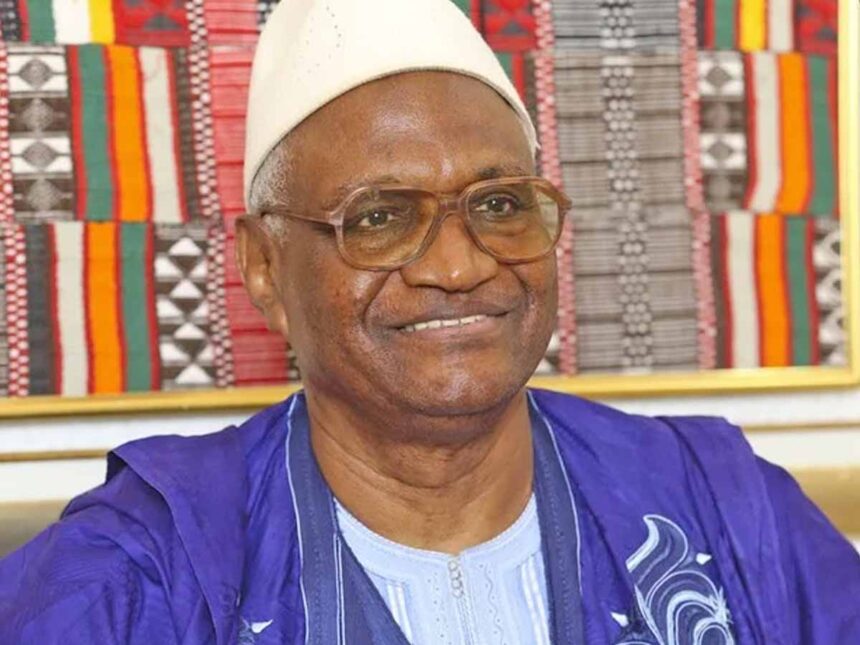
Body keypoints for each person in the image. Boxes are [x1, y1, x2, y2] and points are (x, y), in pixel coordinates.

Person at [2, 0, 858, 642]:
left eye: (500, 204)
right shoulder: (140, 571)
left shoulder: (728, 512)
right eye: (379, 217)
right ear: (264, 266)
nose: (459, 266)